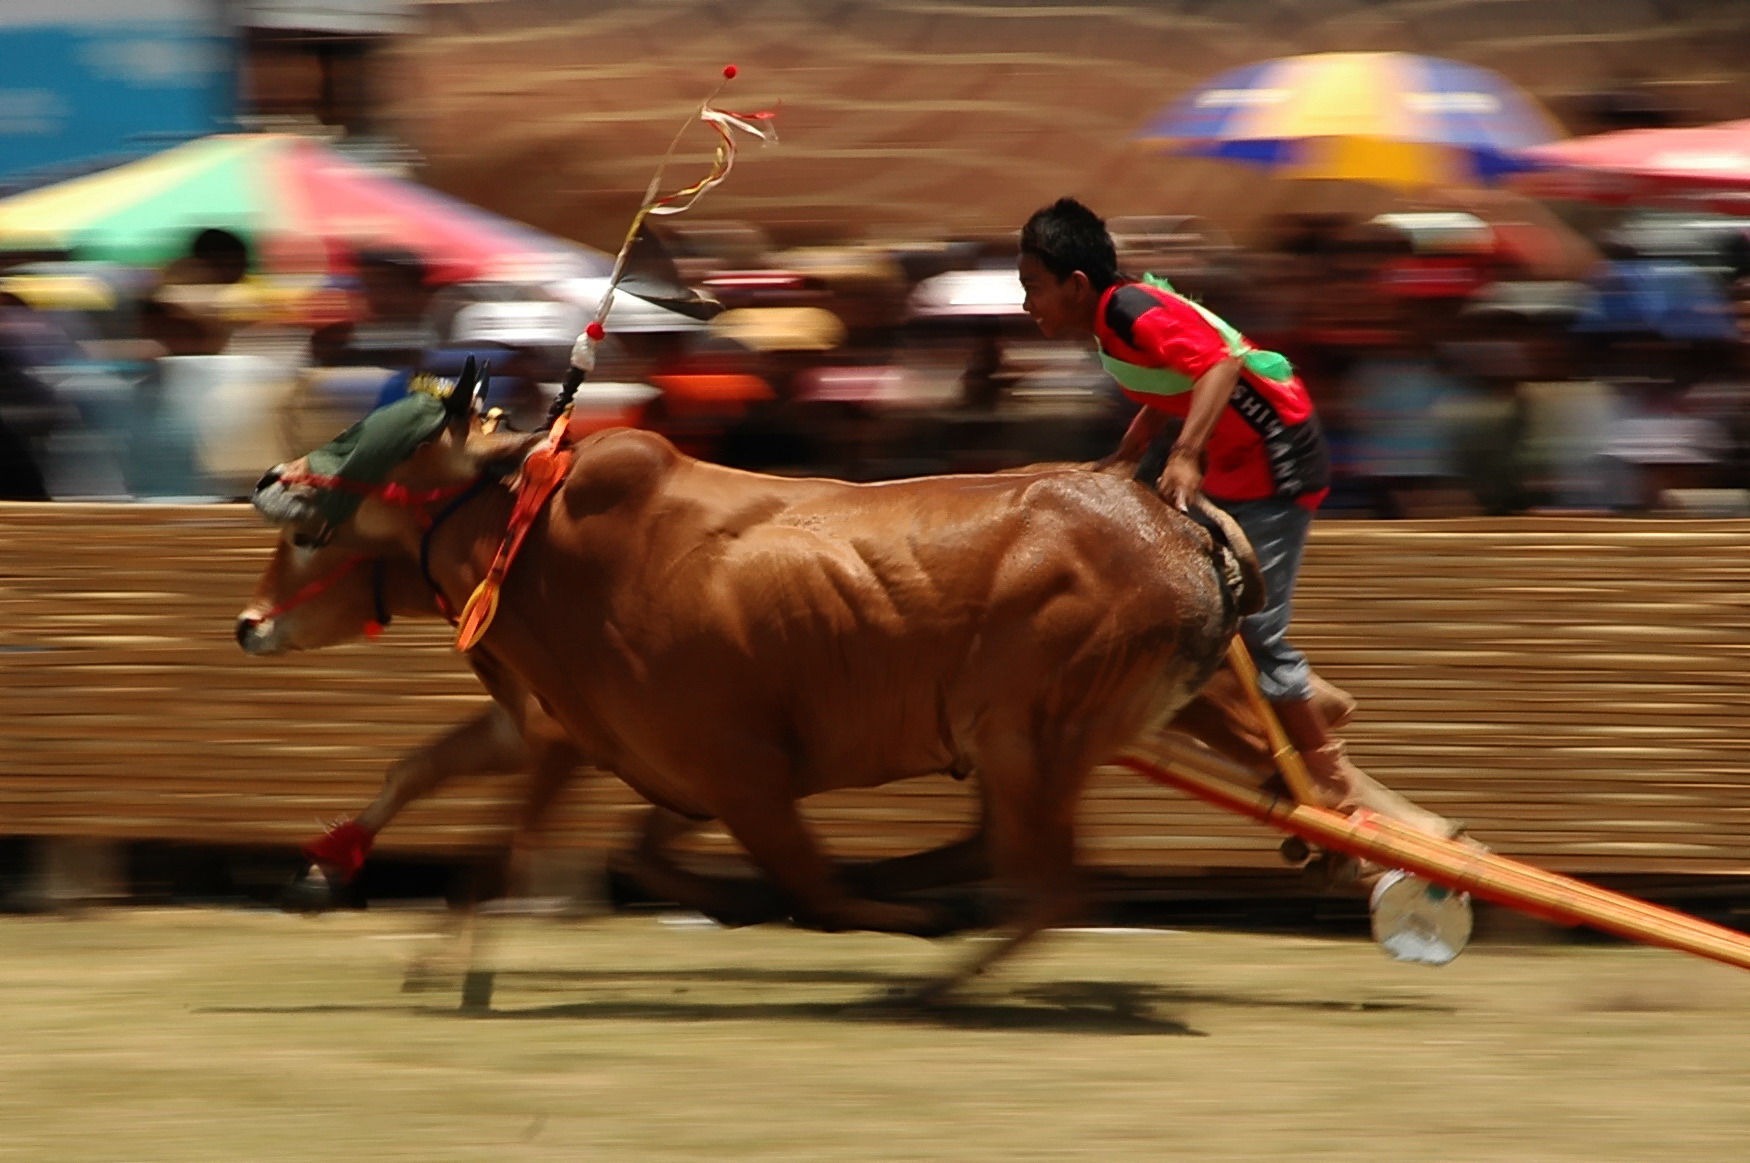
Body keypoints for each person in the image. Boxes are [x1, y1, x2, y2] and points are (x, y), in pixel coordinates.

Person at [1016, 197, 1458, 844]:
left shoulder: (1128, 311)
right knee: (1181, 589)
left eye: (1033, 287)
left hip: (1276, 451)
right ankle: (1316, 696)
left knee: (1252, 628)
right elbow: (1171, 383)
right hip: (1237, 452)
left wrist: (1186, 453)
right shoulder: (1113, 321)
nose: (1028, 304)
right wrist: (1131, 452)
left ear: (1075, 284)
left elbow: (1218, 363)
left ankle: (1328, 768)